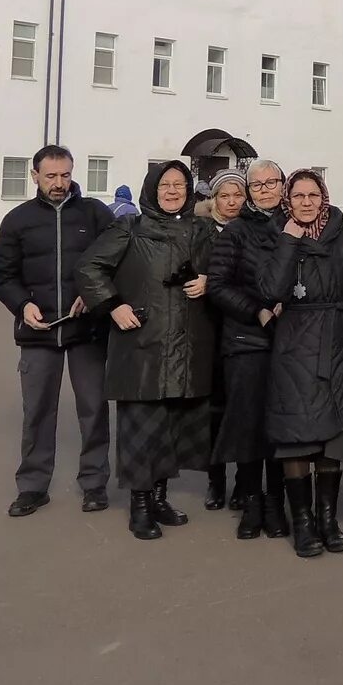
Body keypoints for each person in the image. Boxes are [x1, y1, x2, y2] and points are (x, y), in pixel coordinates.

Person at [76, 160, 216, 541]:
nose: (172, 191)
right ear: (152, 189)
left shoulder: (203, 230)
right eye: (165, 185)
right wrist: (114, 305)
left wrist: (209, 281)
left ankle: (159, 498)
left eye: (180, 185)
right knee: (141, 430)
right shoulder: (130, 228)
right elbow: (89, 267)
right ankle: (140, 507)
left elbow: (228, 270)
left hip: (187, 348)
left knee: (171, 429)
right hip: (143, 346)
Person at [0, 145, 115, 517]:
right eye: (51, 176)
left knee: (93, 409)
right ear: (35, 176)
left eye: (65, 175)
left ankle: (94, 484)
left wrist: (93, 296)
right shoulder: (18, 220)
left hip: (86, 332)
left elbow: (117, 260)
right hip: (38, 334)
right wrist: (21, 305)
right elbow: (2, 274)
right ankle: (32, 487)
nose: (59, 183)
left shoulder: (94, 214)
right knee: (38, 412)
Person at [262, 169, 343, 558]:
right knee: (297, 435)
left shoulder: (341, 234)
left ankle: (328, 520)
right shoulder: (278, 233)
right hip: (294, 343)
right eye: (298, 196)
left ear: (323, 197)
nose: (306, 202)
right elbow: (270, 290)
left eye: (313, 195)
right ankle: (302, 524)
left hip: (339, 340)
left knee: (332, 437)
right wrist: (288, 241)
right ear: (288, 200)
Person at [206, 159, 291, 542]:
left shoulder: (298, 227)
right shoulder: (236, 232)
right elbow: (218, 285)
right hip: (246, 342)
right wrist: (255, 310)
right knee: (247, 426)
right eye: (257, 186)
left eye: (272, 182)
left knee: (278, 427)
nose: (265, 190)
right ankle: (251, 502)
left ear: (282, 184)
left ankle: (276, 504)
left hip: (290, 342)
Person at [201, 170, 247, 510]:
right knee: (214, 412)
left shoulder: (252, 230)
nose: (231, 202)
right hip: (208, 329)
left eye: (238, 196)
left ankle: (245, 483)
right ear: (214, 199)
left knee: (243, 408)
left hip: (243, 328)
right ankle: (215, 480)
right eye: (224, 196)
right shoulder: (200, 231)